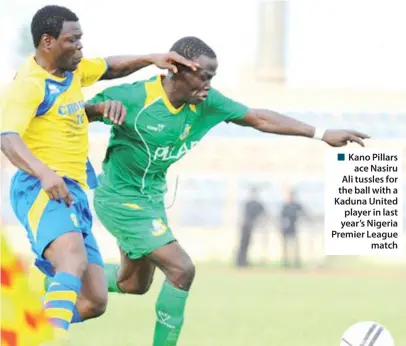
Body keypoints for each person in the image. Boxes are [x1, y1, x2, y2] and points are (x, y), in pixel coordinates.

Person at [85, 36, 369, 345]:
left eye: (212, 78)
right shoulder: (133, 98)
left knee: (133, 284)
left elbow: (258, 118)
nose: (208, 85)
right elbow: (68, 116)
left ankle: (68, 281)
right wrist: (94, 109)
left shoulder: (206, 103)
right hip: (119, 199)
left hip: (151, 200)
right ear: (176, 69)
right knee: (181, 269)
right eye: (203, 76)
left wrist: (322, 133)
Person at [0, 5, 197, 340]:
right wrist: (45, 174)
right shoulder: (30, 84)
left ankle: (21, 329)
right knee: (72, 261)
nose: (80, 47)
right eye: (72, 40)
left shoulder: (70, 72)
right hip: (40, 187)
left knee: (94, 299)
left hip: (72, 189)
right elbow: (7, 137)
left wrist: (152, 58)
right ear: (47, 42)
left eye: (81, 39)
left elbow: (110, 68)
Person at [236, 186, 266, 267]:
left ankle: (242, 261)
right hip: (246, 226)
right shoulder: (251, 204)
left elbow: (263, 214)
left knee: (246, 244)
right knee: (244, 244)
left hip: (248, 226)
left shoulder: (253, 204)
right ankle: (241, 261)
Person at [280, 188, 307, 268]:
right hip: (285, 229)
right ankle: (286, 263)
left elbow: (304, 212)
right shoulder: (285, 206)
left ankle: (296, 263)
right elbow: (281, 218)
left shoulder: (296, 205)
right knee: (286, 247)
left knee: (295, 247)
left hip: (293, 228)